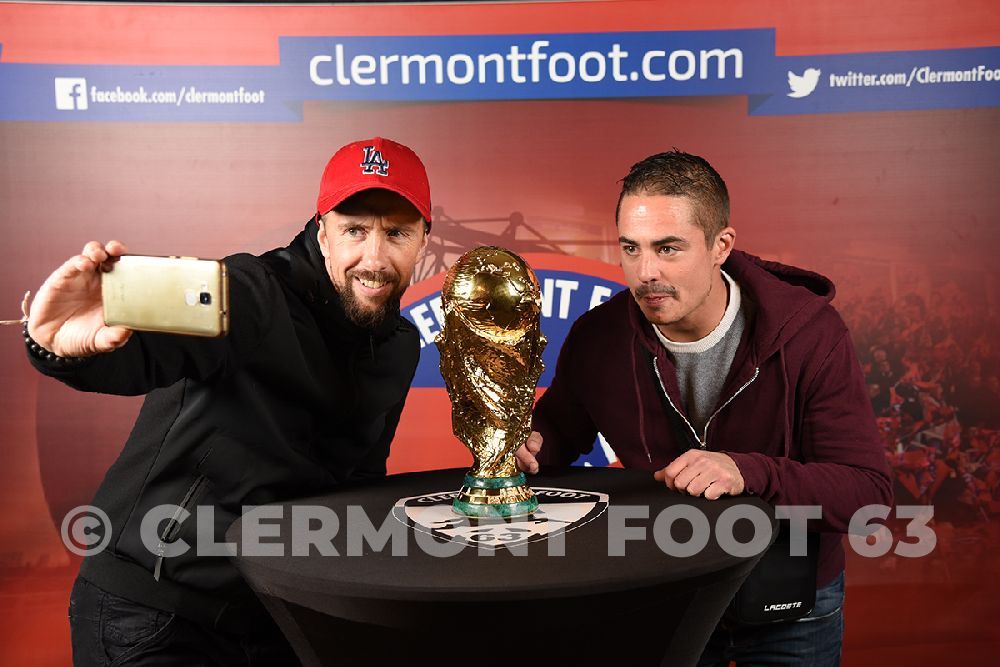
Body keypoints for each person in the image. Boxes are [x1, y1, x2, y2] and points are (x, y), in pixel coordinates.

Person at [24, 137, 431, 665]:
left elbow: (356, 489)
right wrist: (59, 347)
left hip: (271, 616)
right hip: (154, 615)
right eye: (355, 230)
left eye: (396, 233)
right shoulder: (250, 291)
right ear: (323, 234)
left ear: (424, 240)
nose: (373, 259)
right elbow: (148, 348)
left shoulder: (398, 346)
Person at [515, 150, 893, 665]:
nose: (645, 272)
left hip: (791, 607)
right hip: (666, 594)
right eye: (631, 248)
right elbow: (561, 428)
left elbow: (866, 494)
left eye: (668, 248)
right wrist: (533, 443)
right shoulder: (597, 337)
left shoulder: (810, 335)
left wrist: (747, 471)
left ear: (721, 246)